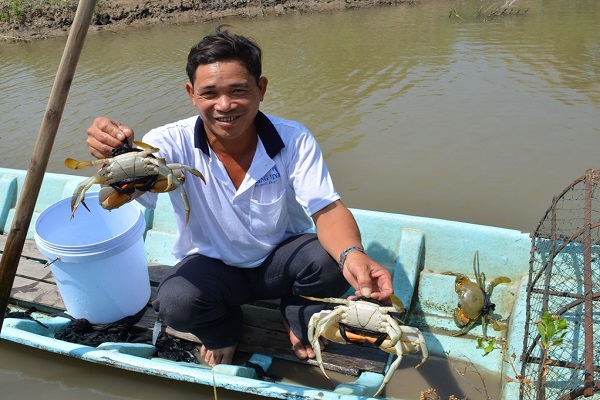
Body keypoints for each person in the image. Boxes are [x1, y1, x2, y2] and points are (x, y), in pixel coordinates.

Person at [85, 26, 394, 367]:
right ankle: (223, 329)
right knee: (176, 304)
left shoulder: (293, 139)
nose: (225, 105)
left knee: (331, 261)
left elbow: (326, 207)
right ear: (191, 94)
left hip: (280, 262)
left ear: (261, 89)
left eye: (238, 91)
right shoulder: (168, 143)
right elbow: (117, 199)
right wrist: (115, 157)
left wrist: (353, 254)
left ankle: (297, 312)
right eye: (210, 93)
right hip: (213, 267)